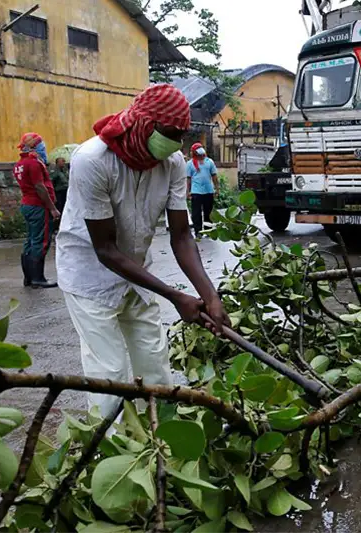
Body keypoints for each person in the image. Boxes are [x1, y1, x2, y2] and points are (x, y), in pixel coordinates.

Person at [56, 84, 230, 418]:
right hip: (90, 275)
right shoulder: (93, 160)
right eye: (170, 133)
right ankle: (112, 452)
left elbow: (181, 236)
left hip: (137, 272)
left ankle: (162, 447)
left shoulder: (173, 163)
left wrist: (210, 296)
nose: (176, 143)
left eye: (181, 135)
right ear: (145, 124)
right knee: (110, 374)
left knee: (154, 365)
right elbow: (105, 249)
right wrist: (175, 296)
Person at [13, 132, 59, 289]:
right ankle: (38, 278)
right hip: (38, 206)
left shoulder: (20, 163)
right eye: (40, 144)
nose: (43, 147)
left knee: (30, 241)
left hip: (27, 204)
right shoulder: (33, 163)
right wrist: (52, 208)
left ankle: (29, 278)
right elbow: (40, 187)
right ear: (33, 146)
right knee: (41, 240)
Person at [186, 142, 218, 240]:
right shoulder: (190, 164)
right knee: (196, 213)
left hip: (208, 191)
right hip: (196, 191)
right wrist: (188, 192)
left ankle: (208, 230)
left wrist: (217, 189)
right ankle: (198, 232)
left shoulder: (209, 162)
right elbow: (188, 179)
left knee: (208, 212)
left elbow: (214, 176)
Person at [50, 157, 69, 228]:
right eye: (62, 161)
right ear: (57, 163)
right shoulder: (54, 171)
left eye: (64, 161)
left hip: (66, 191)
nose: (63, 163)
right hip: (59, 192)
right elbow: (51, 180)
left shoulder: (65, 170)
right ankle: (57, 225)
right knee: (59, 207)